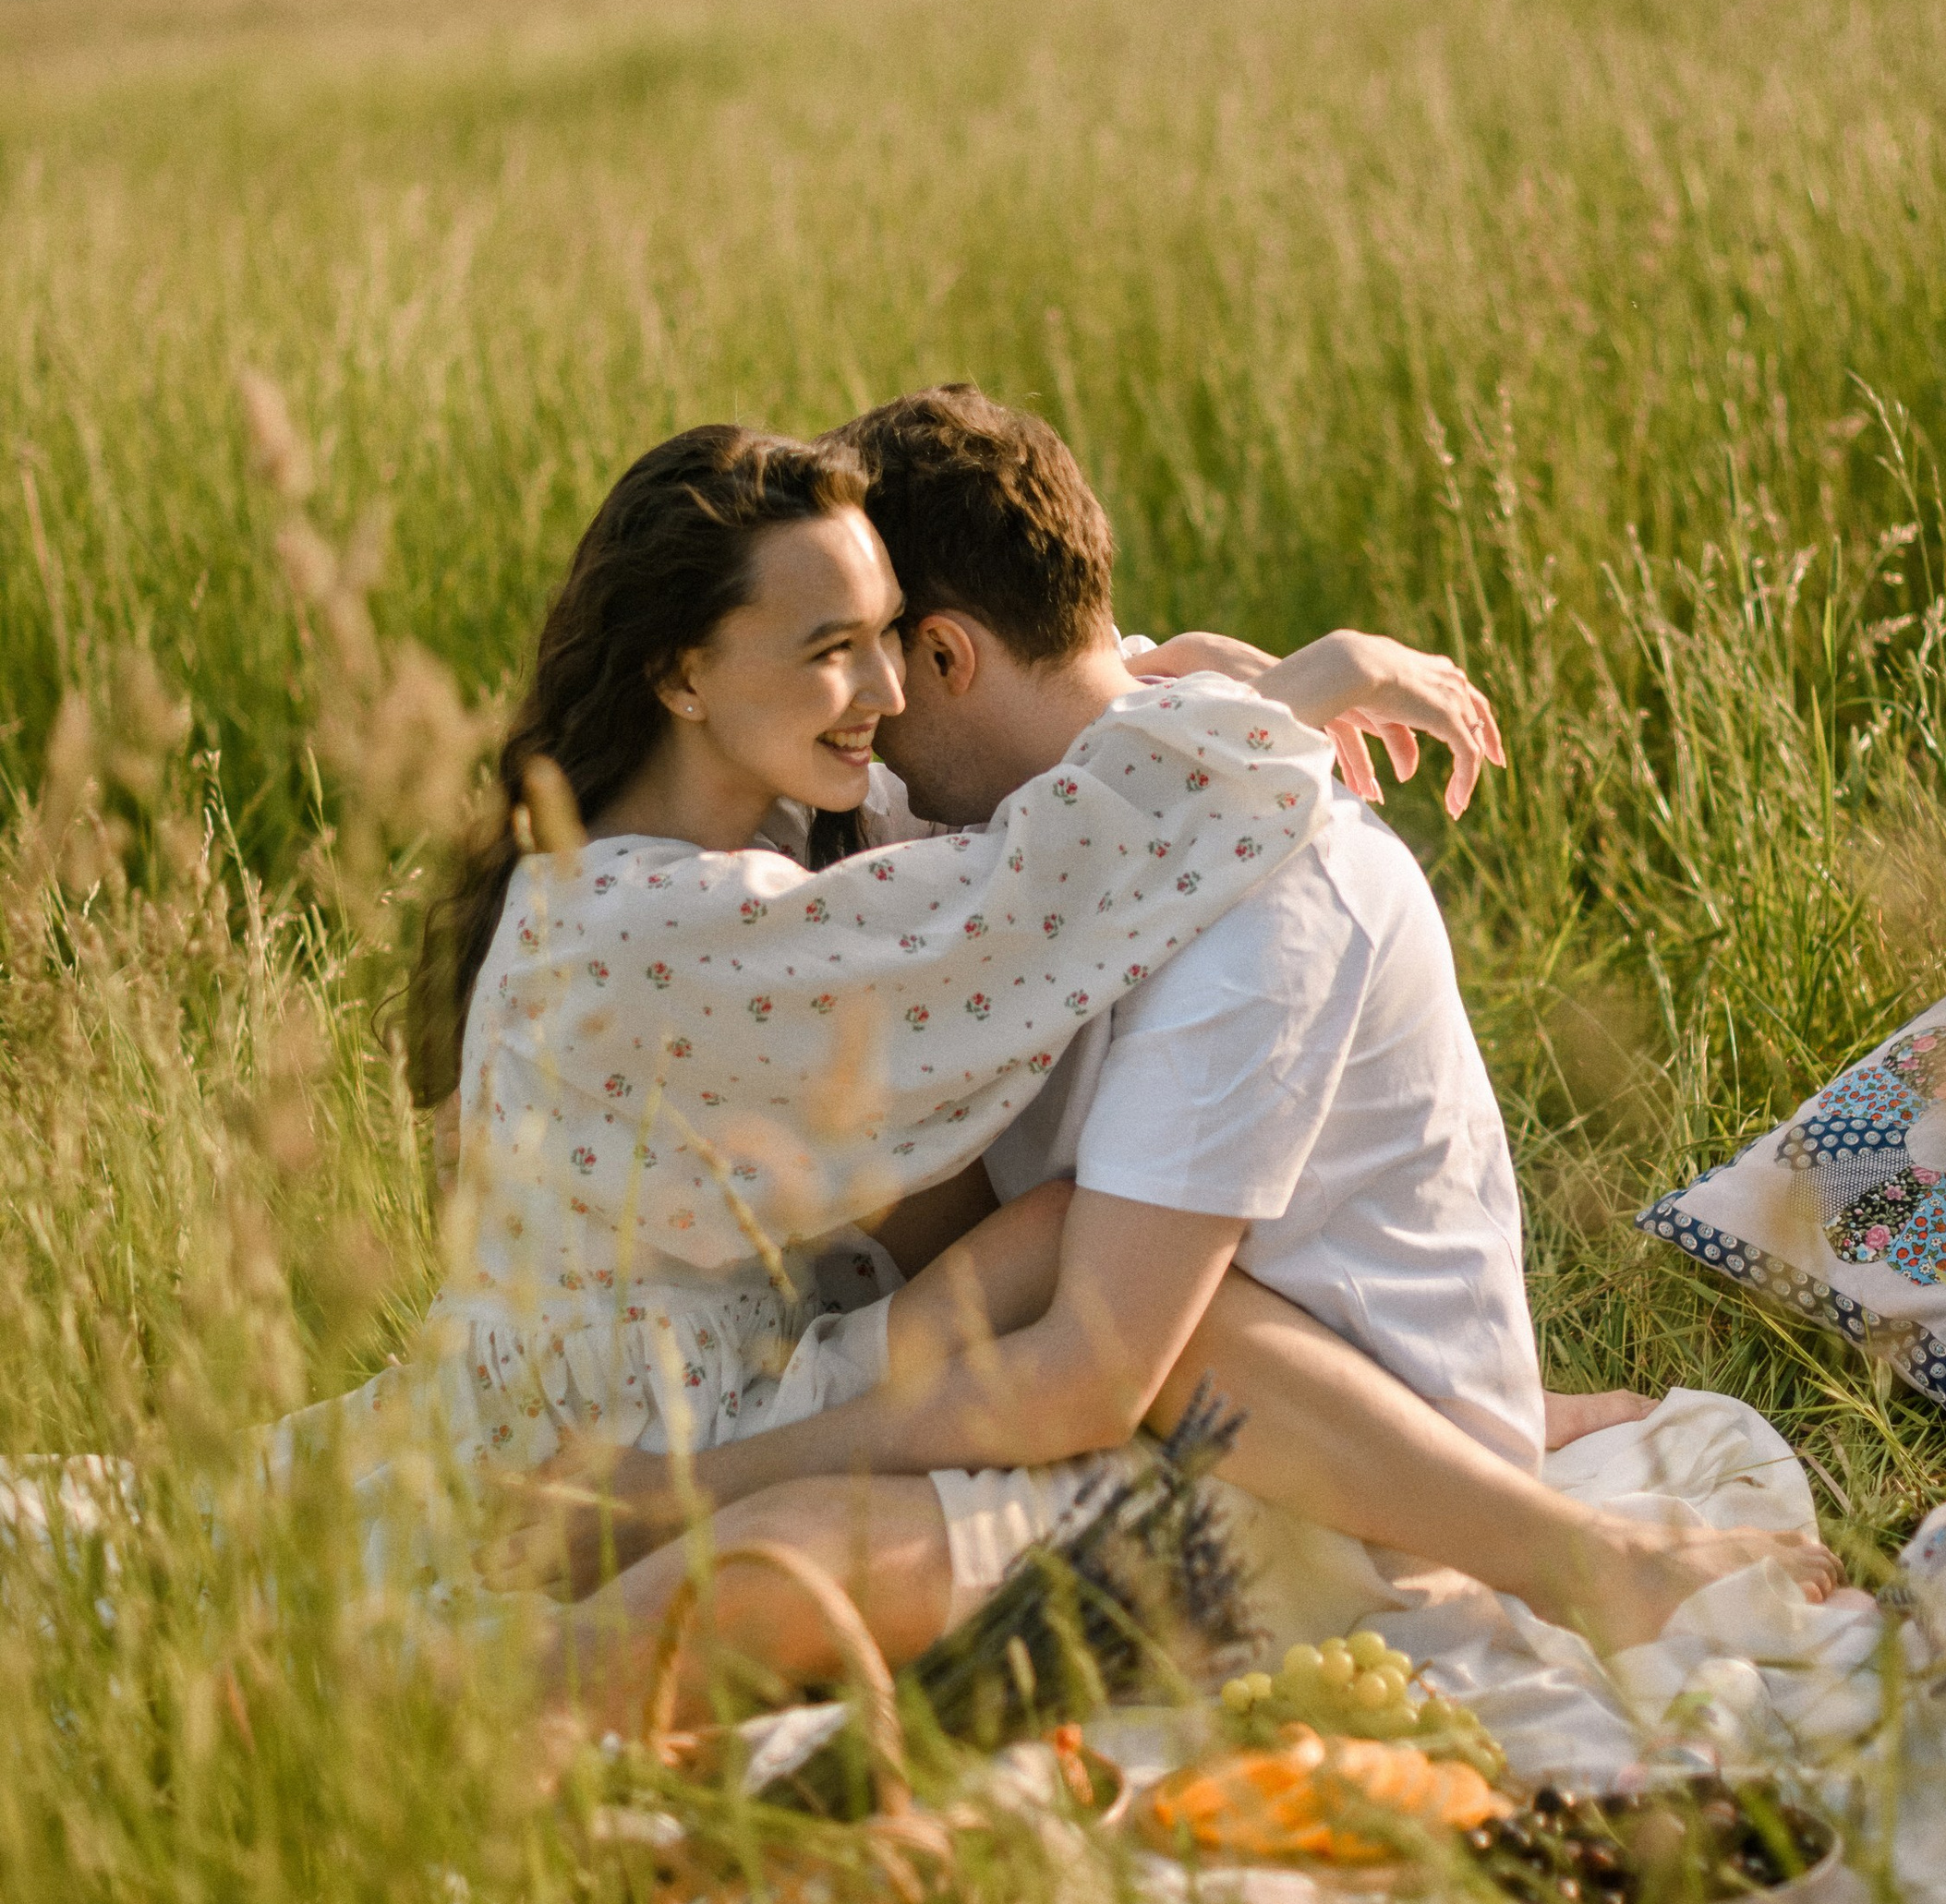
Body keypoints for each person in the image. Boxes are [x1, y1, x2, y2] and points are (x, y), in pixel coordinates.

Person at [556, 394, 1841, 1721]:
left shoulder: (1270, 899)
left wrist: (695, 1489)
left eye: (883, 657)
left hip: (1329, 1485)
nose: (866, 715)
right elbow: (1113, 713)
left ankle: (1583, 1556)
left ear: (942, 655)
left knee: (769, 1565)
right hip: (1106, 1365)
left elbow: (1105, 1364)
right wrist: (1236, 675)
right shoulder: (1036, 815)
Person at [373, 417, 1525, 1716]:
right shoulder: (669, 923)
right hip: (635, 1419)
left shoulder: (753, 822)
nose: (886, 697)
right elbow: (1017, 891)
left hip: (736, 1367)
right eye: (832, 650)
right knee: (1069, 1264)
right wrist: (1276, 695)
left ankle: (1470, 1466)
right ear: (684, 678)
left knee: (1081, 1241)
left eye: (888, 641)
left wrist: (1155, 677)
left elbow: (1044, 773)